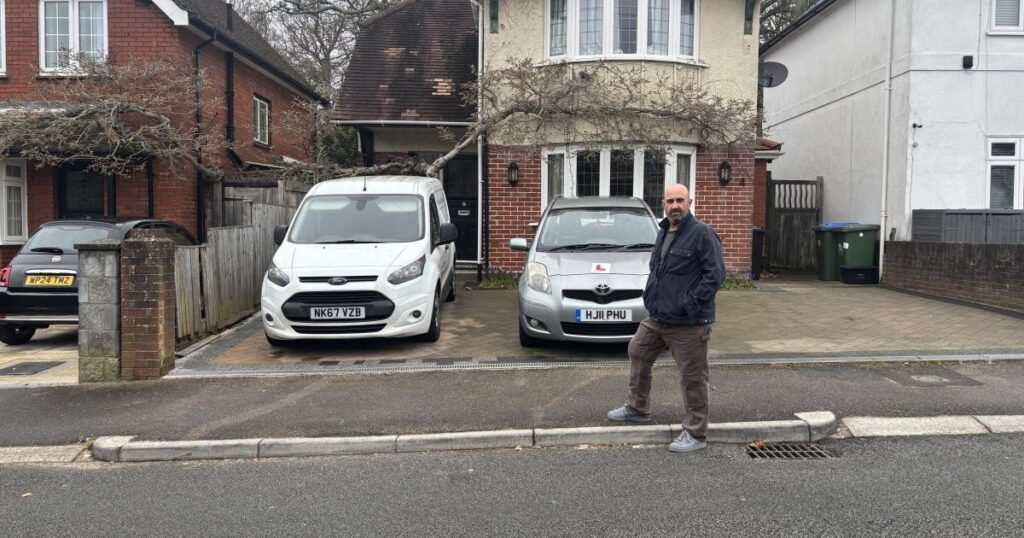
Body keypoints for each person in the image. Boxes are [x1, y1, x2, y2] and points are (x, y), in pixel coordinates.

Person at [606, 183, 725, 453]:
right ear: (663, 203)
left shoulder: (702, 234)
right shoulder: (663, 231)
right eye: (670, 201)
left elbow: (715, 275)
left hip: (689, 322)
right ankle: (638, 408)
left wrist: (689, 303)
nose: (675, 205)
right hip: (659, 317)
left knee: (692, 377)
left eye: (680, 200)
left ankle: (696, 433)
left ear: (690, 202)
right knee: (638, 350)